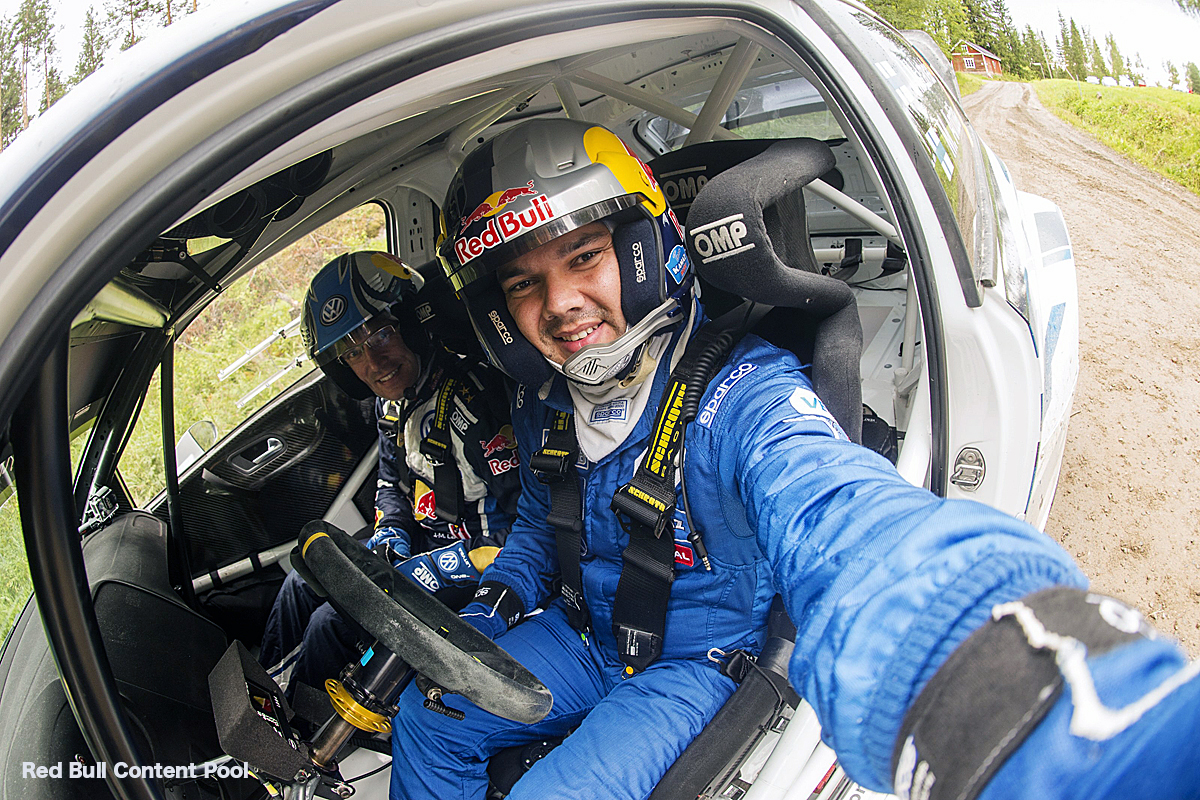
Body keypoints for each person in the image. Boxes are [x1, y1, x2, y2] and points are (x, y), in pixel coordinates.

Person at [388, 120, 1200, 800]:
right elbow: (539, 519)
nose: (558, 305)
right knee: (423, 720)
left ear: (639, 246)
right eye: (524, 285)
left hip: (691, 666)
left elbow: (837, 512)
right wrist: (501, 593)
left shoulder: (743, 394)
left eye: (584, 256)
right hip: (579, 633)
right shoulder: (544, 405)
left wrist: (994, 666)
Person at [259, 251, 520, 697]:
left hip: (478, 557)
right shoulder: (391, 402)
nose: (373, 362)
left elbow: (521, 532)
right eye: (353, 351)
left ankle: (304, 739)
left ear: (412, 323)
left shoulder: (475, 404)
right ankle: (266, 698)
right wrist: (391, 534)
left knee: (329, 624)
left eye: (380, 334)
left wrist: (436, 567)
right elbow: (390, 484)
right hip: (421, 542)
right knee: (301, 580)